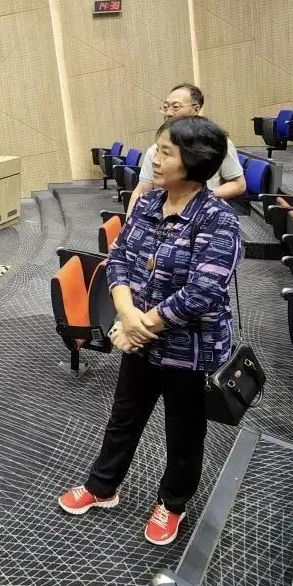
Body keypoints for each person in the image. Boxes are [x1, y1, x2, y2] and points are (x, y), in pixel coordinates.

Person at [58, 117, 243, 545]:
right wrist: (127, 314)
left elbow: (203, 292)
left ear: (193, 162)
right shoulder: (146, 204)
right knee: (123, 418)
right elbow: (119, 259)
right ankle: (102, 487)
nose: (154, 159)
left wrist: (140, 326)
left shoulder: (218, 220)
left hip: (188, 349)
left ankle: (172, 504)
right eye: (156, 149)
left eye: (166, 152)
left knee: (184, 432)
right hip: (138, 341)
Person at [127, 84, 245, 218]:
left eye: (176, 107)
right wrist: (128, 223)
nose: (168, 113)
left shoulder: (216, 144)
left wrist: (195, 200)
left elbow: (238, 184)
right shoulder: (154, 150)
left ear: (196, 109)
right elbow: (141, 190)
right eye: (165, 107)